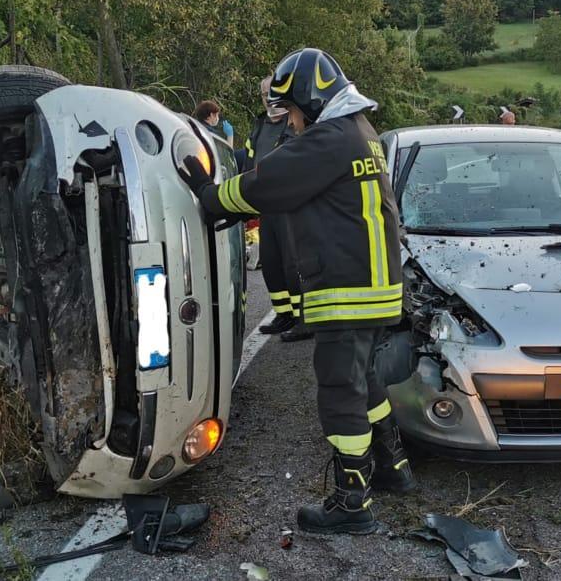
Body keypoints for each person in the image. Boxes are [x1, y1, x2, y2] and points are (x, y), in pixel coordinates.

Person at [178, 48, 417, 535]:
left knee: (339, 392)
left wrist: (208, 194)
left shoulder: (329, 139)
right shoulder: (362, 132)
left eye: (291, 110)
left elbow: (266, 184)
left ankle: (352, 503)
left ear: (310, 99)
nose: (290, 122)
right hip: (376, 290)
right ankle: (393, 467)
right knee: (366, 381)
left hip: (348, 292)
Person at [245, 76, 311, 342]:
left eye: (270, 93)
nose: (267, 98)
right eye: (263, 94)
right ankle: (284, 314)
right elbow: (249, 160)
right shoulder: (260, 125)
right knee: (271, 262)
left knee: (293, 264)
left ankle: (303, 319)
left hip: (289, 204)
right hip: (266, 204)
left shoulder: (295, 121)